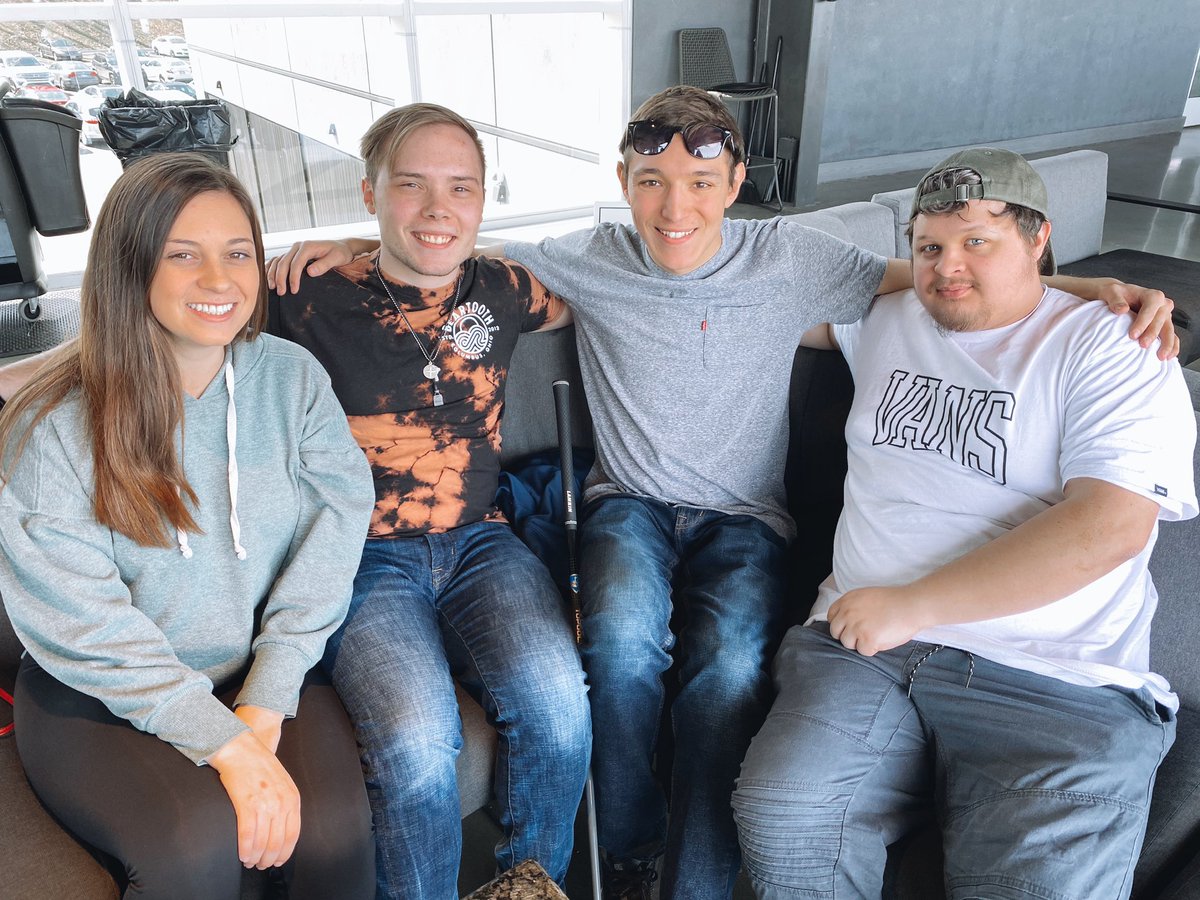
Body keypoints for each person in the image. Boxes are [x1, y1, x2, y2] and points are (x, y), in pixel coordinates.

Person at [266, 87, 1178, 900]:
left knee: (732, 670)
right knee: (619, 642)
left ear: (736, 184)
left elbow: (939, 284)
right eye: (652, 182)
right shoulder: (585, 258)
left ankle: (693, 885)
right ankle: (628, 848)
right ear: (623, 185)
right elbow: (446, 249)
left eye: (701, 183)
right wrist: (356, 246)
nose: (676, 207)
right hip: (627, 502)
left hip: (747, 517)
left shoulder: (790, 257)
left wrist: (1086, 290)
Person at [731, 148, 1197, 899]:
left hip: (1057, 678)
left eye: (978, 241)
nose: (948, 267)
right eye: (929, 247)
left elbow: (1109, 527)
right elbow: (730, 279)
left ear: (1039, 239)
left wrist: (914, 605)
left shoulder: (1116, 345)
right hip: (863, 654)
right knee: (784, 817)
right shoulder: (882, 315)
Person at [0, 152, 376, 900]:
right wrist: (225, 745)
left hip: (253, 665)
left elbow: (335, 530)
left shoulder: (293, 379)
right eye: (183, 255)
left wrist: (266, 697)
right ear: (130, 267)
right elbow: (83, 621)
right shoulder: (52, 425)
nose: (219, 279)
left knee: (334, 834)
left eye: (237, 253)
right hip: (98, 690)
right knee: (194, 847)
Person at [267, 103, 590, 899]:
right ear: (370, 192)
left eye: (461, 188)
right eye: (411, 185)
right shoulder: (307, 294)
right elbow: (176, 316)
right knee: (415, 740)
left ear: (483, 199)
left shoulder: (506, 289)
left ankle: (529, 889)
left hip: (482, 541)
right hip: (359, 553)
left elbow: (596, 296)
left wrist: (369, 238)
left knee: (559, 706)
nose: (439, 209)